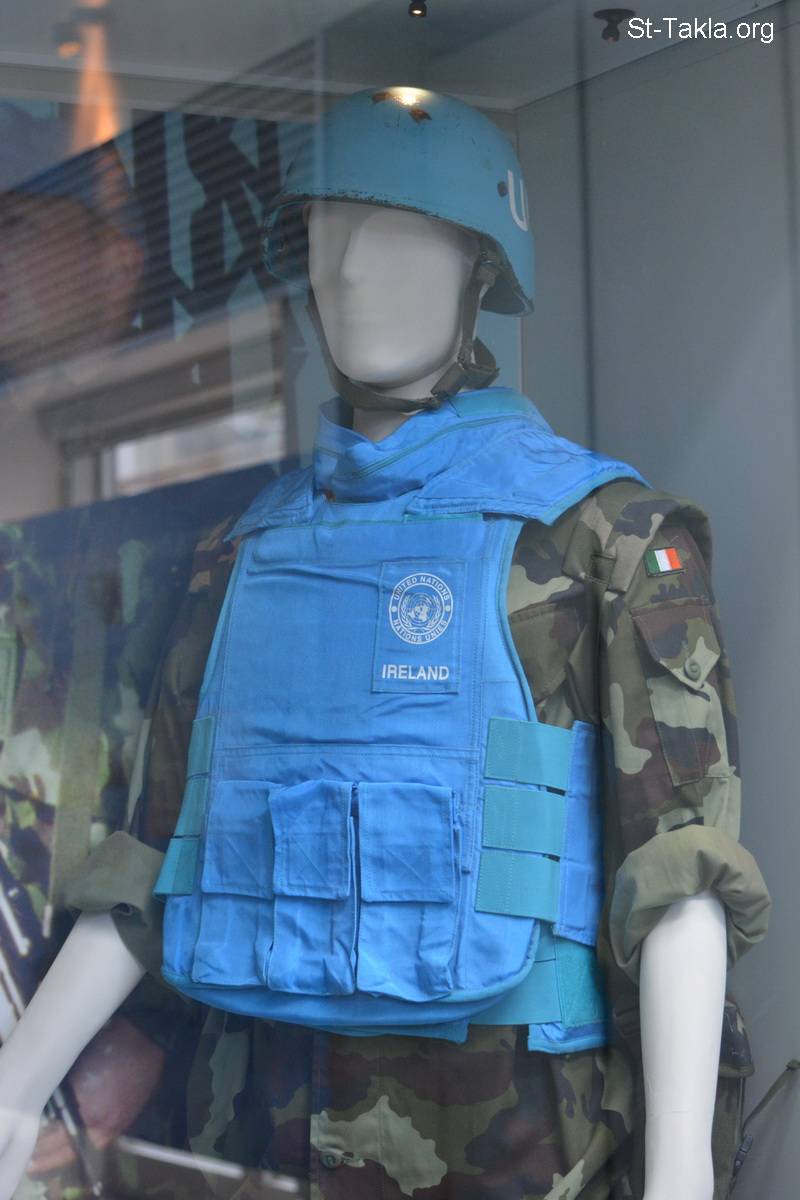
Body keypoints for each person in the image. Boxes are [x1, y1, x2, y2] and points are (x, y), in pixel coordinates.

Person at [0, 87, 770, 1200]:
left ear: (481, 268)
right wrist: (18, 1084)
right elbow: (155, 861)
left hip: (512, 1145)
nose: (354, 274)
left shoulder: (604, 537)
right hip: (255, 1130)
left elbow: (680, 880)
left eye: (400, 239)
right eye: (329, 241)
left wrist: (680, 1174)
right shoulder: (239, 551)